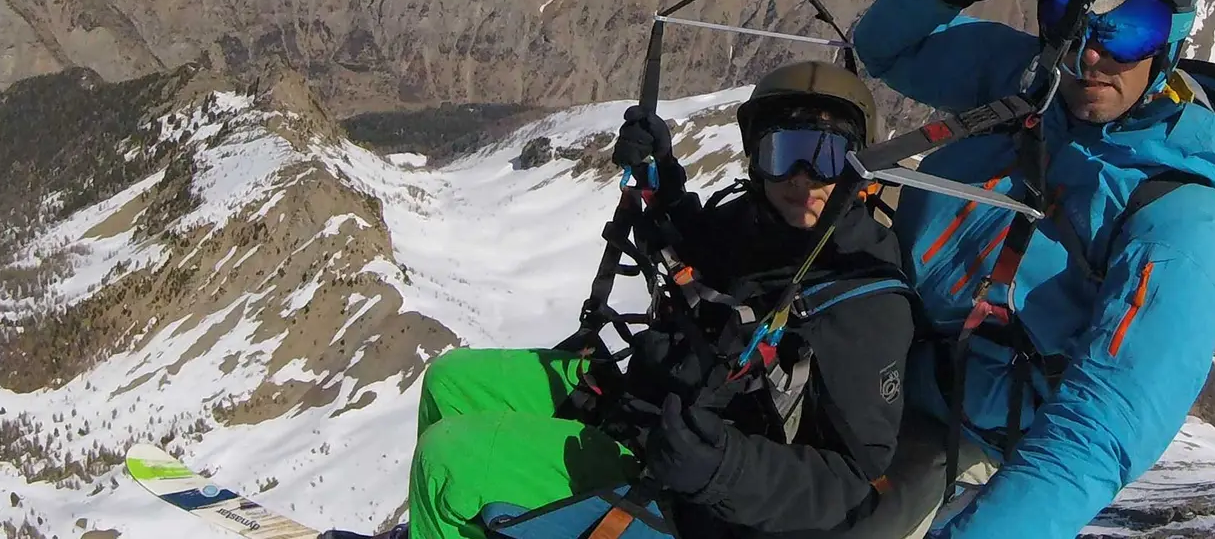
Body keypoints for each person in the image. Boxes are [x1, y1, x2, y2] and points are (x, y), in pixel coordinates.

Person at [321, 61, 917, 539]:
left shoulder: (865, 300)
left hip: (696, 497)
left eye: (830, 154)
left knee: (449, 460)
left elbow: (853, 480)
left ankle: (450, 509)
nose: (805, 178)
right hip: (644, 408)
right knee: (452, 381)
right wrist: (663, 177)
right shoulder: (758, 223)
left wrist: (721, 470)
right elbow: (694, 244)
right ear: (757, 157)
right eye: (785, 153)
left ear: (859, 164)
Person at [848, 0, 1215, 539]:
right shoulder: (1027, 81)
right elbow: (884, 49)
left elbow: (1106, 421)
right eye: (1071, 16)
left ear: (1170, 42)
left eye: (1130, 29)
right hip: (870, 344)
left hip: (959, 430)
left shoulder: (1172, 213)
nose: (1092, 52)